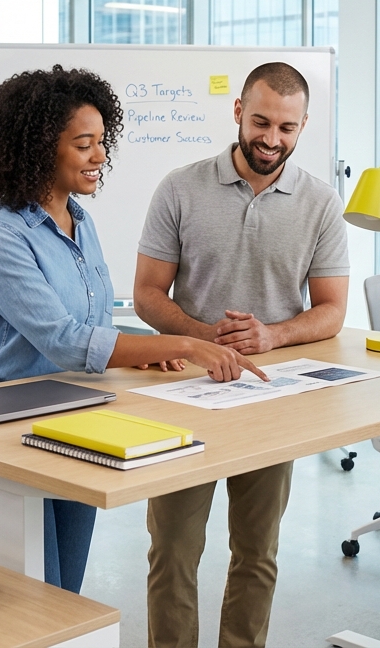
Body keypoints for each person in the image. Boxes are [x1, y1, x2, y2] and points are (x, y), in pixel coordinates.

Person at [0, 65, 266, 594]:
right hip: (7, 429)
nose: (100, 156)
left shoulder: (81, 221)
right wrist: (188, 343)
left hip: (76, 422)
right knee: (35, 607)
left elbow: (93, 324)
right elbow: (65, 340)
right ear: (38, 148)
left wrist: (143, 352)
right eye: (84, 144)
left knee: (66, 597)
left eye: (102, 142)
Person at [134, 61, 349, 648]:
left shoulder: (322, 203)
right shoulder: (180, 187)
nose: (271, 139)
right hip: (186, 397)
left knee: (257, 552)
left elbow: (332, 309)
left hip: (270, 398)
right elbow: (148, 294)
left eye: (286, 127)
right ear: (237, 113)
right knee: (173, 551)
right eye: (260, 122)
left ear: (303, 126)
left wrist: (272, 336)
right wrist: (200, 339)